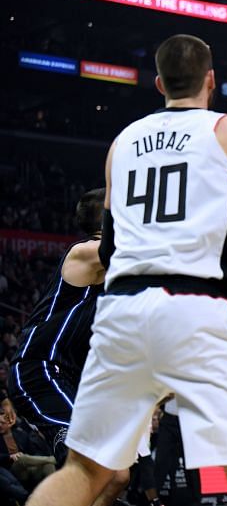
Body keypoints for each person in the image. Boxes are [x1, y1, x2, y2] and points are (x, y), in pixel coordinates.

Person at [26, 34, 227, 506]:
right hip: (198, 308)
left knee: (85, 470)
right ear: (211, 80)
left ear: (159, 82)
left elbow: (113, 245)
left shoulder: (121, 143)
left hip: (122, 312)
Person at [7, 188, 132, 506]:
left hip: (71, 377)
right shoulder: (85, 253)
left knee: (118, 477)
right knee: (83, 458)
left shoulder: (115, 267)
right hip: (41, 368)